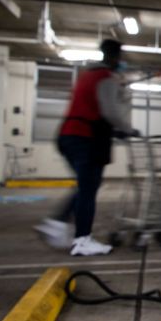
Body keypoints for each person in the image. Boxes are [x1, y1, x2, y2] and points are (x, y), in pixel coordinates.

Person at [35, 39, 138, 255]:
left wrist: (116, 129)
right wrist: (128, 129)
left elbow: (91, 108)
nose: (121, 62)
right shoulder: (105, 78)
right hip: (87, 138)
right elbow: (109, 111)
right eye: (120, 58)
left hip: (68, 135)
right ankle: (82, 240)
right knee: (88, 188)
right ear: (115, 57)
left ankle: (57, 223)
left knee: (86, 186)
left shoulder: (87, 76)